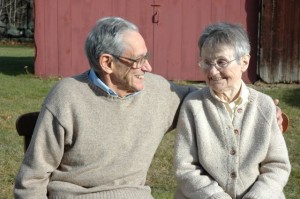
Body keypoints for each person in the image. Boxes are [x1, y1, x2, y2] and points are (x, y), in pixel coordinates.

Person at [14, 17, 284, 198]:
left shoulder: (159, 91)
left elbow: (211, 97)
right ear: (107, 63)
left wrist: (262, 107)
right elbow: (32, 180)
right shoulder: (67, 97)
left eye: (148, 56)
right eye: (139, 60)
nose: (149, 67)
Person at [173, 22, 291, 199]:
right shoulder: (193, 106)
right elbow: (185, 167)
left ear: (244, 62)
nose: (213, 71)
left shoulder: (264, 105)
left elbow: (277, 165)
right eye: (206, 62)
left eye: (221, 62)